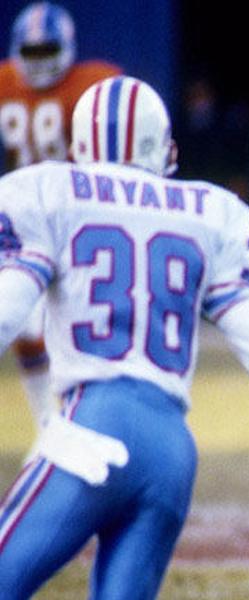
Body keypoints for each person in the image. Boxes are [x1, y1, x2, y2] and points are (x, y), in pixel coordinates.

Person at [0, 75, 249, 599]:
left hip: (90, 427)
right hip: (171, 453)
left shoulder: (48, 192)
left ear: (79, 146)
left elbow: (7, 315)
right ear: (166, 149)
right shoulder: (212, 213)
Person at [0, 1, 121, 440]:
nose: (38, 62)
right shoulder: (5, 83)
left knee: (82, 324)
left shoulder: (93, 83)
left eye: (45, 50)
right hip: (25, 218)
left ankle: (78, 423)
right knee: (25, 325)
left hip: (76, 215)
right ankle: (48, 428)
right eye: (29, 52)